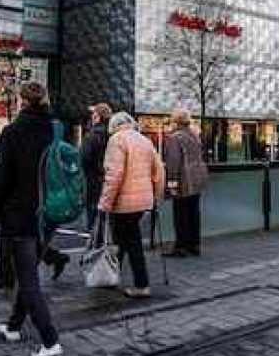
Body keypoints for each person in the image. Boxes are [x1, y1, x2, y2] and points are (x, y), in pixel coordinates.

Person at [0, 81, 64, 356]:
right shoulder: (55, 129)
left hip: (21, 214)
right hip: (48, 213)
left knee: (28, 279)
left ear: (22, 102)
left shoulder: (14, 132)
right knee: (26, 270)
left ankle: (50, 340)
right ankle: (14, 325)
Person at [99, 112, 164, 298]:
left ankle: (141, 284)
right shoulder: (144, 140)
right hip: (142, 200)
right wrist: (155, 196)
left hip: (123, 201)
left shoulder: (116, 140)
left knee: (130, 241)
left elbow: (114, 175)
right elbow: (159, 171)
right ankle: (112, 276)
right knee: (122, 238)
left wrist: (105, 203)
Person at [161, 110, 210, 256]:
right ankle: (194, 245)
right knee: (193, 212)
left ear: (176, 122)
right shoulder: (194, 135)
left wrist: (171, 186)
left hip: (184, 180)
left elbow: (173, 163)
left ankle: (180, 247)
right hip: (197, 180)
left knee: (180, 213)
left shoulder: (175, 138)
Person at [80, 103, 111, 231]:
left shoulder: (92, 135)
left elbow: (83, 157)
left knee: (93, 206)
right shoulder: (113, 135)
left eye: (94, 114)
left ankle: (94, 236)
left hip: (94, 177)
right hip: (109, 176)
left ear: (98, 117)